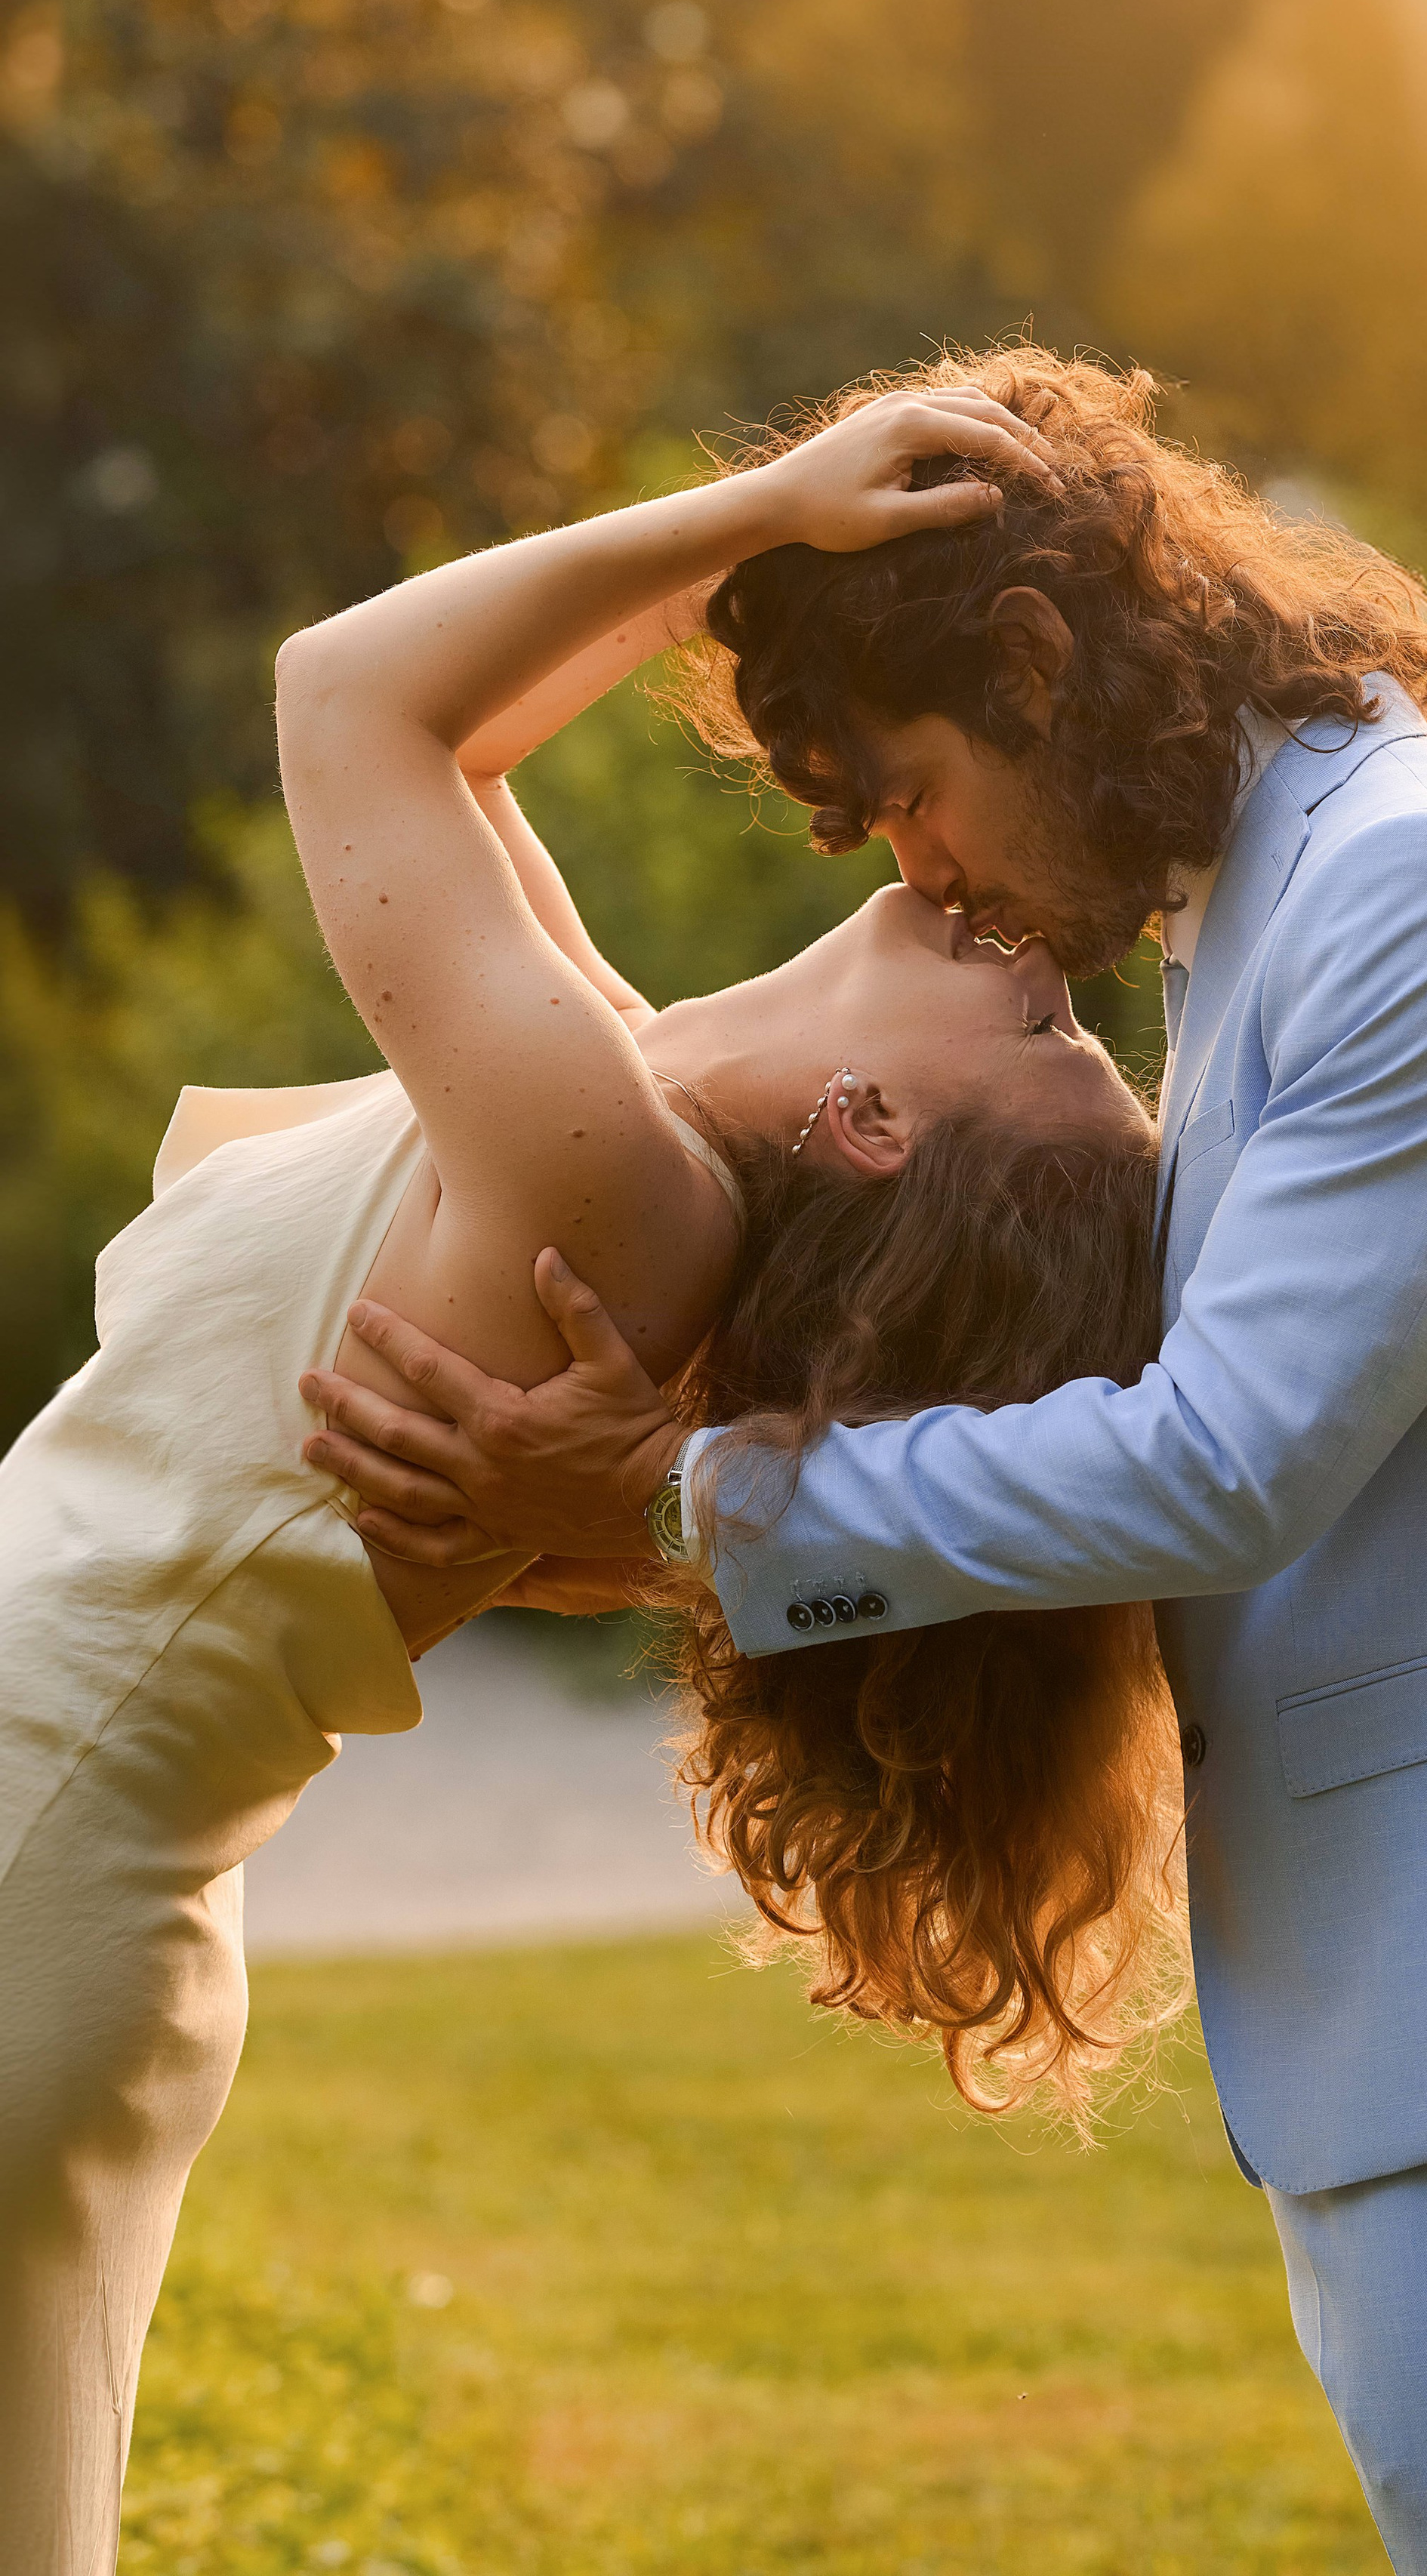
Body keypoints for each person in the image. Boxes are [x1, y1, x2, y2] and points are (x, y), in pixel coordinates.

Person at [311, 346, 1427, 2576]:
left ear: (1043, 663)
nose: (921, 866)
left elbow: (1221, 1467)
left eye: (911, 786)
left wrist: (695, 1503)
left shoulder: (1422, 893)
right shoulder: (1283, 915)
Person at [0, 384, 1179, 2576]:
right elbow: (453, 757)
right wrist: (783, 600)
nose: (1043, 964)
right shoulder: (615, 1100)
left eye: (1048, 1046)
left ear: (876, 1131)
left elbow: (346, 695)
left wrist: (763, 517)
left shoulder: (615, 1197)